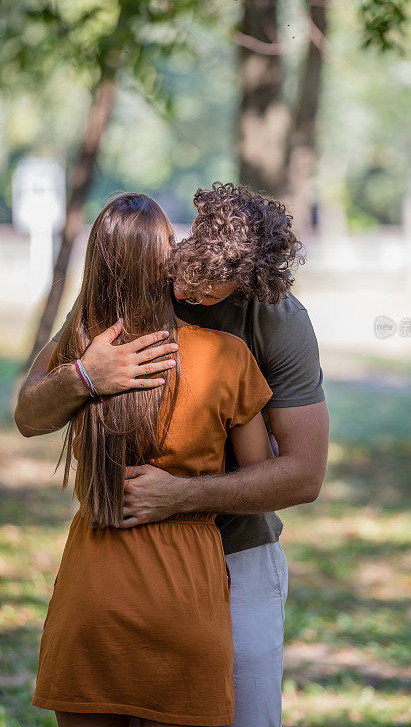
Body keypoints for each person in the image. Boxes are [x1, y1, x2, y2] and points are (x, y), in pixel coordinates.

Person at [15, 182, 330, 727]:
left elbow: (303, 476)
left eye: (222, 293)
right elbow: (29, 414)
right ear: (183, 242)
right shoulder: (128, 290)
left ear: (251, 289)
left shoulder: (277, 322)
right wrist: (87, 377)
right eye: (192, 277)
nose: (198, 297)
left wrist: (181, 494)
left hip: (236, 552)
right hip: (119, 555)